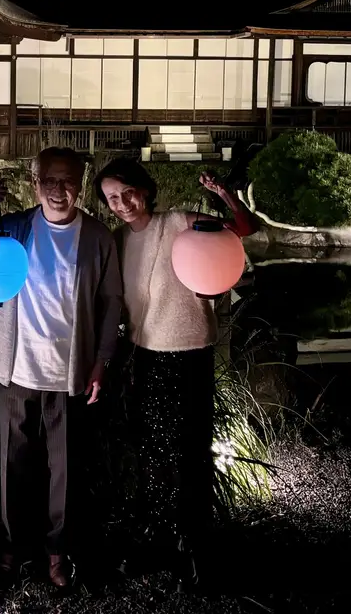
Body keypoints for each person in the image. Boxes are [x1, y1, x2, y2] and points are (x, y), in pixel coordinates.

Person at [0, 147, 124, 590]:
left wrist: (102, 361)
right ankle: (9, 549)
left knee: (65, 471)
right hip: (17, 368)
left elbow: (112, 303)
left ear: (80, 186)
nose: (59, 190)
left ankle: (57, 551)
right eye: (50, 181)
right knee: (12, 465)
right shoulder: (14, 227)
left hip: (69, 374)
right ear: (36, 184)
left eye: (68, 182)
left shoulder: (98, 237)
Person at [93, 158, 257, 587]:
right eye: (112, 198)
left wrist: (222, 194)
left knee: (191, 451)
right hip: (144, 353)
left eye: (128, 192)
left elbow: (243, 229)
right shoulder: (116, 240)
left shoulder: (180, 222)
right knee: (153, 452)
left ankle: (195, 546)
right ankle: (159, 539)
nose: (123, 203)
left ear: (144, 190)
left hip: (190, 352)